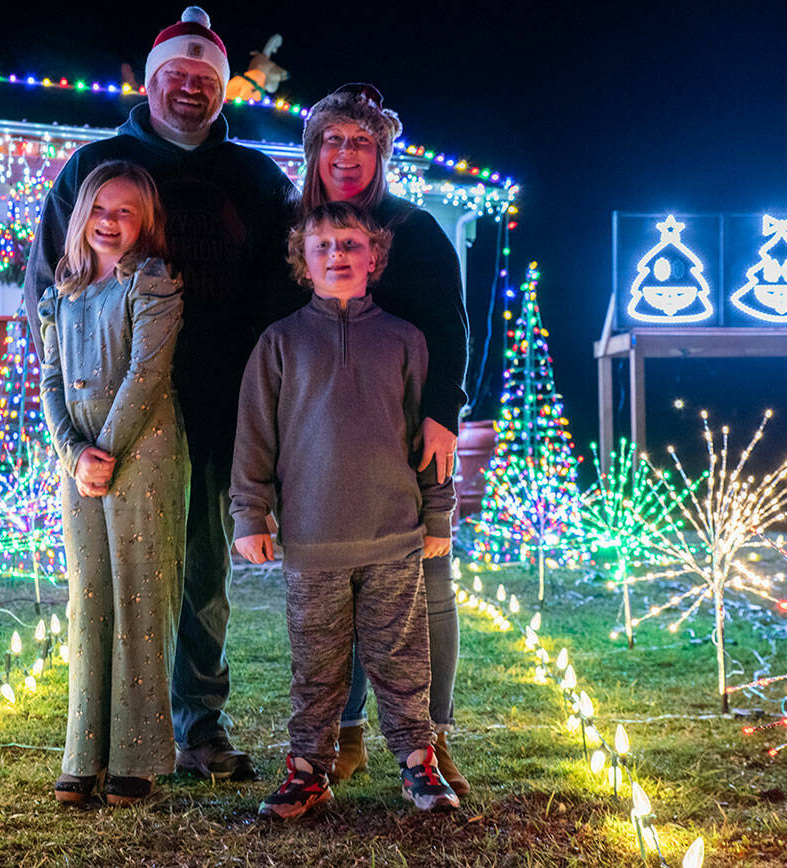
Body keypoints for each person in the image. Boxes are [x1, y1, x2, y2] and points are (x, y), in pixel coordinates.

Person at [24, 6, 298, 781]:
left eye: (204, 78)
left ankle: (197, 725)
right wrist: (67, 415)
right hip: (108, 413)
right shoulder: (96, 166)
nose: (188, 89)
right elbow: (49, 283)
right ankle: (110, 734)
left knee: (203, 570)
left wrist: (272, 397)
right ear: (151, 83)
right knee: (111, 577)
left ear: (222, 90)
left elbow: (282, 292)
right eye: (175, 75)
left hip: (217, 401)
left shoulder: (254, 178)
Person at [231, 202, 459, 818]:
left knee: (401, 660)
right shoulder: (278, 344)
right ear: (302, 263)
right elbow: (254, 437)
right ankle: (308, 770)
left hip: (394, 538)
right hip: (312, 544)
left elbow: (429, 441)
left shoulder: (405, 340)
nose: (338, 254)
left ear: (374, 256)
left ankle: (418, 763)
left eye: (351, 244)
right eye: (323, 245)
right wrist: (250, 515)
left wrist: (437, 514)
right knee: (317, 666)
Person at [300, 83, 471, 795]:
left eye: (361, 142)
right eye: (333, 140)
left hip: (408, 439)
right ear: (315, 150)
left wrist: (443, 412)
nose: (346, 154)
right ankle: (345, 735)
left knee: (427, 588)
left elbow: (454, 328)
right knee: (332, 597)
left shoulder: (417, 229)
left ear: (381, 154)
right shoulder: (296, 228)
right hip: (322, 444)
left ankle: (429, 738)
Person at [38, 161, 186, 806]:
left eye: (126, 212)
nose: (109, 221)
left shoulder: (151, 286)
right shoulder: (62, 294)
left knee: (140, 595)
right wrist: (74, 452)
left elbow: (146, 375)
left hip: (143, 453)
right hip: (80, 464)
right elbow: (47, 380)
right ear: (81, 217)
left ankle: (138, 753)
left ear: (145, 222)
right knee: (89, 595)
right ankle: (84, 751)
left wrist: (106, 450)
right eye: (100, 208)